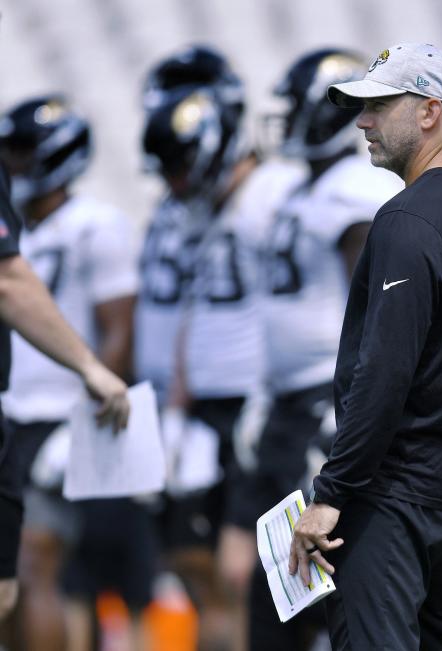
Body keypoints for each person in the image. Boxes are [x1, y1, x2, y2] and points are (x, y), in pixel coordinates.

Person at [288, 42, 442, 651]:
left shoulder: (408, 218)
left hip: (392, 499)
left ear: (428, 111)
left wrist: (331, 493)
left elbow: (385, 372)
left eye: (378, 106)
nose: (362, 122)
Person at [139, 44, 302, 650]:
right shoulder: (198, 208)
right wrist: (177, 408)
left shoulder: (280, 192)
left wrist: (271, 395)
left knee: (264, 577)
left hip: (261, 403)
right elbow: (192, 308)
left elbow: (303, 310)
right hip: (208, 402)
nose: (176, 182)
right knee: (195, 565)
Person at [245, 48, 401, 651]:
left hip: (324, 400)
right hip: (291, 400)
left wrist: (349, 411)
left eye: (294, 109)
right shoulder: (304, 186)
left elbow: (375, 309)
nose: (286, 122)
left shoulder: (350, 188)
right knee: (277, 584)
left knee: (307, 583)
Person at [0, 95, 147, 651]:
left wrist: (80, 418)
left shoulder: (97, 225)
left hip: (64, 417)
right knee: (21, 569)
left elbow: (120, 332)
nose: (10, 165)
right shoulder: (19, 229)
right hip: (18, 413)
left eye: (18, 153)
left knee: (41, 562)